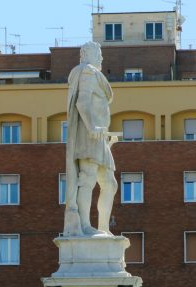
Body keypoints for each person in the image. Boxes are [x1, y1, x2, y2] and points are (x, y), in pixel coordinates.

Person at [64, 41, 118, 237]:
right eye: (99, 53)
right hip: (90, 133)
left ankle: (103, 228)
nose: (101, 58)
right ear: (87, 54)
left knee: (110, 183)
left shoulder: (93, 74)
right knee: (87, 178)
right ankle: (84, 226)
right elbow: (82, 100)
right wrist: (92, 126)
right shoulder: (87, 71)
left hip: (99, 135)